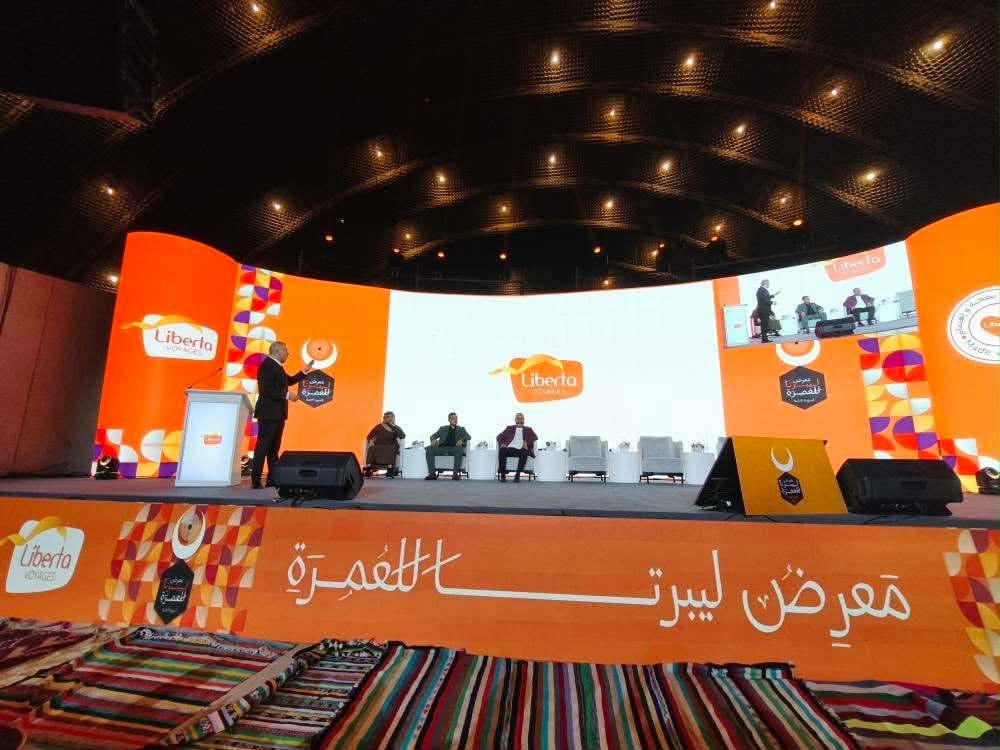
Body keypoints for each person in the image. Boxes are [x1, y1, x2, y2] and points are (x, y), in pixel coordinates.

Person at [251, 341, 311, 489]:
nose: (288, 354)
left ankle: (272, 479)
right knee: (263, 447)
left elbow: (288, 381)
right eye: (285, 351)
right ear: (277, 351)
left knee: (273, 449)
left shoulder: (277, 366)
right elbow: (266, 390)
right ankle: (256, 480)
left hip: (278, 414)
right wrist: (287, 395)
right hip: (268, 413)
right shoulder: (267, 366)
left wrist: (304, 372)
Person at [425, 413, 471, 480]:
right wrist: (433, 440)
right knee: (429, 449)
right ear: (449, 420)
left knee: (459, 449)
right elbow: (433, 436)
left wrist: (462, 439)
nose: (455, 420)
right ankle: (432, 474)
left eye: (456, 418)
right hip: (441, 448)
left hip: (454, 448)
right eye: (453, 418)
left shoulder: (461, 429)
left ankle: (455, 474)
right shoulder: (443, 428)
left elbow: (468, 436)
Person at [496, 412, 538, 482]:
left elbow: (535, 437)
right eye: (518, 418)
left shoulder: (528, 429)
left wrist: (526, 442)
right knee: (502, 450)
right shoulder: (509, 428)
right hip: (509, 448)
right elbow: (499, 436)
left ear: (524, 420)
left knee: (524, 451)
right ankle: (502, 474)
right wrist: (502, 444)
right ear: (515, 420)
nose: (520, 420)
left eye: (521, 418)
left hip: (521, 449)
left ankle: (517, 475)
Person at [365, 411, 405, 477]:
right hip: (378, 446)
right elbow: (369, 436)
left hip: (390, 446)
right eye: (388, 417)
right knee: (372, 448)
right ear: (384, 419)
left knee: (392, 448)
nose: (390, 418)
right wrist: (371, 441)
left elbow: (402, 436)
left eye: (392, 417)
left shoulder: (396, 427)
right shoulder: (379, 426)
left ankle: (389, 469)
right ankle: (368, 469)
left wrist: (394, 426)